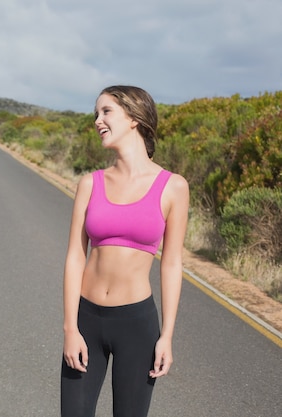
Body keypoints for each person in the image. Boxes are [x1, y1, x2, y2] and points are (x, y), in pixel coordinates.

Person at [61, 86, 189, 417]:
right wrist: (70, 328)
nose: (97, 121)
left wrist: (167, 336)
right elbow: (76, 257)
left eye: (106, 112)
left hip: (137, 324)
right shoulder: (90, 183)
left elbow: (172, 264)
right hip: (86, 321)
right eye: (96, 114)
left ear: (134, 118)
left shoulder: (173, 187)